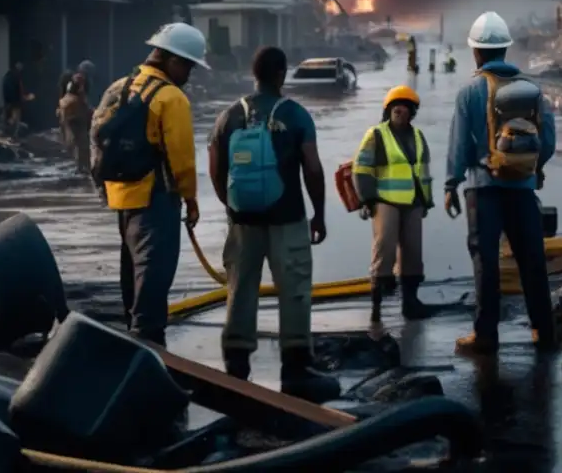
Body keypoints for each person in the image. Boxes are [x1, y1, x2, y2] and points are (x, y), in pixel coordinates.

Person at [207, 46, 337, 401]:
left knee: (240, 290)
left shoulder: (228, 115)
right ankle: (295, 371)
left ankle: (236, 370)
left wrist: (232, 205)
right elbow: (311, 167)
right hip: (288, 218)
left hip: (242, 222)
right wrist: (320, 213)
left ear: (254, 73)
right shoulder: (295, 115)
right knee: (294, 290)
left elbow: (216, 169)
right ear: (281, 74)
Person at [445, 10, 557, 356]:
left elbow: (460, 144)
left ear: (476, 52)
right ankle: (543, 330)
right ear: (506, 50)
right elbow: (548, 140)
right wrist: (530, 168)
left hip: (484, 187)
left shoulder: (470, 92)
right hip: (522, 189)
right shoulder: (532, 90)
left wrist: (452, 183)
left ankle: (486, 334)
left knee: (486, 261)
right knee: (532, 260)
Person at [90, 22, 206, 347]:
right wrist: (191, 199)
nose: (189, 74)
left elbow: (96, 140)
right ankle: (149, 348)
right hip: (155, 198)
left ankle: (134, 336)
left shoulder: (118, 88)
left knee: (132, 272)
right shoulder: (171, 98)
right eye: (188, 66)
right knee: (154, 275)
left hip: (121, 196)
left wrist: (104, 189)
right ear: (171, 60)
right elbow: (182, 157)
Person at [352, 85, 434, 324]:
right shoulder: (376, 134)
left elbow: (424, 171)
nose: (400, 110)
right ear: (388, 110)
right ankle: (376, 308)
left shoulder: (418, 136)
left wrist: (426, 201)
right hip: (385, 200)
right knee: (384, 251)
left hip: (413, 202)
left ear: (411, 112)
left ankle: (411, 303)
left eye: (405, 107)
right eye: (395, 107)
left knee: (412, 253)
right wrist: (367, 199)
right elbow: (361, 168)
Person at [58, 72, 92, 174]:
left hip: (77, 119)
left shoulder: (75, 95)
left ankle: (82, 165)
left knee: (80, 143)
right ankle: (81, 165)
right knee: (78, 143)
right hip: (74, 119)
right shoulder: (72, 97)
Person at [2, 61, 33, 137]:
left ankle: (8, 133)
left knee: (12, 119)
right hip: (15, 103)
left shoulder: (6, 77)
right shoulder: (16, 78)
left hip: (8, 103)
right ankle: (11, 135)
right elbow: (20, 93)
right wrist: (28, 97)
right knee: (14, 120)